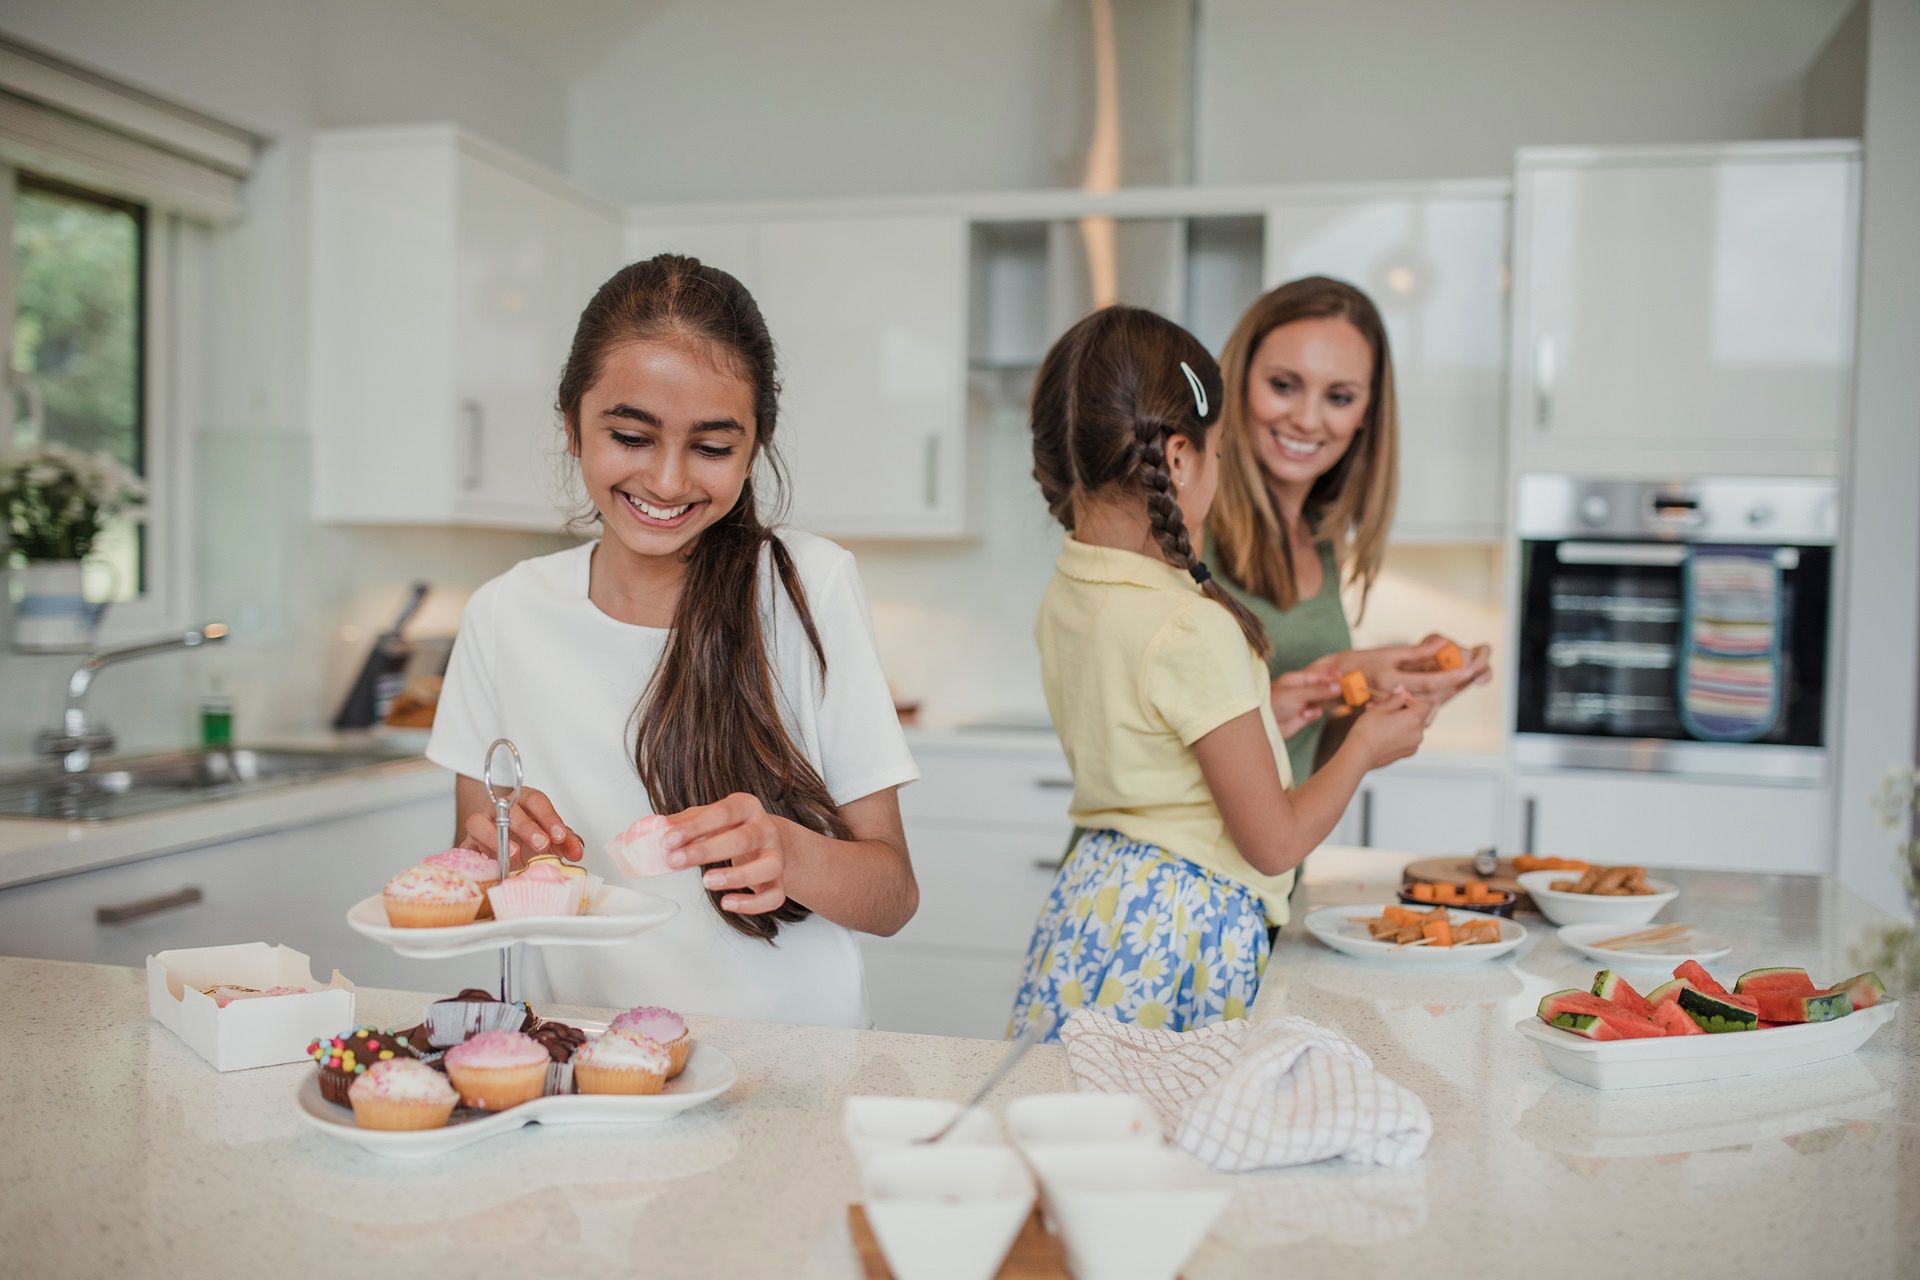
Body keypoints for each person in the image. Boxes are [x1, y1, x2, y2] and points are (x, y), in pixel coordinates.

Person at [426, 255, 920, 1027]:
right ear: (571, 428)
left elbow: (891, 896)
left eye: (712, 448)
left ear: (754, 447)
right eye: (631, 435)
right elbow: (483, 880)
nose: (666, 480)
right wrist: (504, 856)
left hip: (791, 1068)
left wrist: (788, 853)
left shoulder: (808, 588)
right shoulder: (503, 614)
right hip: (587, 1063)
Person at [1008, 306, 1427, 1040]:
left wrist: (1267, 706)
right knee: (1179, 1139)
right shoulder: (1194, 625)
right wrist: (1363, 745)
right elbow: (1273, 842)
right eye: (1220, 453)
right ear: (1176, 459)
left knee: (1083, 1125)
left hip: (1091, 910)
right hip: (1179, 931)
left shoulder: (1069, 591)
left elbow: (1152, 734)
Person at [1206, 277, 1491, 784]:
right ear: (1240, 378)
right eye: (1283, 386)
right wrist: (1338, 670)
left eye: (1338, 397)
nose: (1307, 419)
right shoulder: (1183, 525)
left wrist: (1393, 696)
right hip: (1170, 864)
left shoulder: (1321, 536)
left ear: (1366, 414)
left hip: (1272, 863)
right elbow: (1145, 750)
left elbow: (1306, 750)